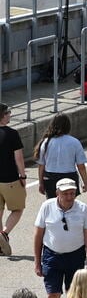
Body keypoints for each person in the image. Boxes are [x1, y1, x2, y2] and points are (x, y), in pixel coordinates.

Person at [34, 179, 87, 298]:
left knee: (73, 295)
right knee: (52, 295)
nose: (69, 197)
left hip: (75, 256)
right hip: (51, 256)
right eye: (66, 194)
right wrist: (37, 262)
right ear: (57, 193)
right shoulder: (47, 207)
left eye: (72, 193)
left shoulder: (82, 209)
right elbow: (38, 235)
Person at [35, 113, 87, 200]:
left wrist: (41, 182)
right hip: (69, 177)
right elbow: (81, 166)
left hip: (50, 178)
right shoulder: (74, 142)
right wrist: (85, 182)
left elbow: (41, 165)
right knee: (70, 205)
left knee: (53, 205)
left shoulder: (46, 142)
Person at [0, 103, 27, 256]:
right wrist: (22, 176)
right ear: (3, 115)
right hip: (9, 179)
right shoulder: (12, 134)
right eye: (8, 112)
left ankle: (0, 245)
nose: (10, 115)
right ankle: (4, 233)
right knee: (17, 208)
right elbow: (19, 158)